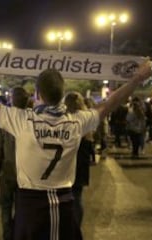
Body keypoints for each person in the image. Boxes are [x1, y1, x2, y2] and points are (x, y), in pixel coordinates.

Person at [0, 44, 152, 240]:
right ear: (61, 95)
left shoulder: (22, 120)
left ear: (37, 94)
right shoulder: (76, 121)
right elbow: (109, 104)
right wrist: (136, 79)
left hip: (29, 203)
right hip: (62, 202)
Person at [0, 87, 30, 240]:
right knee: (21, 210)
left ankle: (8, 236)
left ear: (12, 100)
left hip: (8, 172)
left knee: (6, 208)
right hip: (26, 174)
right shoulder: (33, 119)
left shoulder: (5, 120)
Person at [64, 92, 95, 227]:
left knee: (65, 196)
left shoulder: (65, 119)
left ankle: (66, 225)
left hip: (67, 162)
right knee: (77, 196)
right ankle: (76, 226)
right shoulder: (87, 119)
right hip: (81, 161)